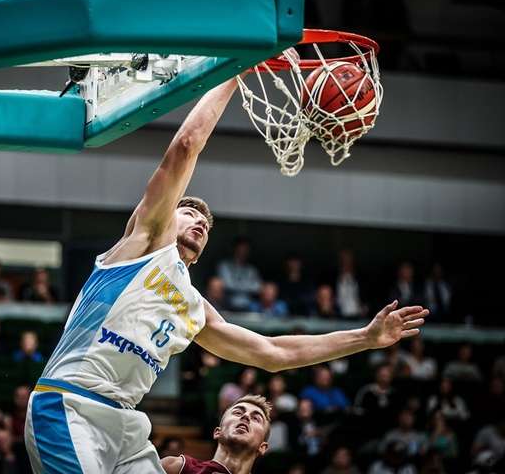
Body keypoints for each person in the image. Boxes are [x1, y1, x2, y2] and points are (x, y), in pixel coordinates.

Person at [24, 76, 429, 474]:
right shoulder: (141, 245)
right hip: (71, 405)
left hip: (125, 424)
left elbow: (273, 353)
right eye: (189, 213)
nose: (200, 222)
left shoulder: (194, 308)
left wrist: (365, 338)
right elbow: (186, 146)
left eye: (206, 223)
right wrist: (234, 71)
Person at [161, 395, 272, 474]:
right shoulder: (176, 467)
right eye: (238, 412)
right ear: (218, 432)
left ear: (262, 447)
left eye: (256, 418)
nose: (246, 416)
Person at [217, 238, 262, 311]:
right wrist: (247, 285)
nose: (242, 253)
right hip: (228, 303)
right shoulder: (224, 265)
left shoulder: (251, 269)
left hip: (248, 305)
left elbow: (257, 287)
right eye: (240, 250)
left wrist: (237, 285)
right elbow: (227, 285)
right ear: (234, 250)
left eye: (245, 251)